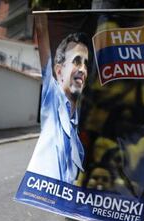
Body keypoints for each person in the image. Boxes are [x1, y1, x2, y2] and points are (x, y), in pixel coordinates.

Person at [27, 32, 90, 184]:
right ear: (59, 71)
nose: (83, 69)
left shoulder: (78, 141)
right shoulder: (52, 95)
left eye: (86, 63)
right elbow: (42, 34)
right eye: (77, 61)